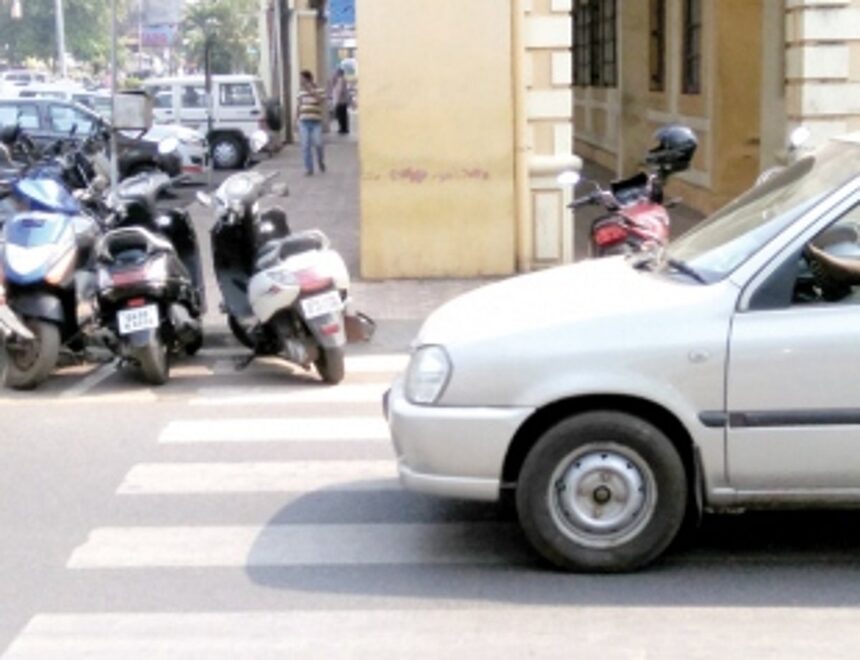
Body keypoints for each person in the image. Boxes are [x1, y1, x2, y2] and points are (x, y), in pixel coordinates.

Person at [295, 70, 325, 175]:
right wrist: (296, 119)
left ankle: (320, 161)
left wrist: (310, 90)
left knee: (318, 144)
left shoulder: (319, 89)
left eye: (301, 78)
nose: (300, 80)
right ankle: (309, 168)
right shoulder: (300, 91)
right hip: (303, 122)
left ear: (307, 78)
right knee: (305, 145)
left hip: (316, 122)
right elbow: (299, 105)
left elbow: (320, 100)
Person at [331, 67, 350, 135]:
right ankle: (344, 128)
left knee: (340, 115)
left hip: (340, 101)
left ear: (339, 73)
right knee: (343, 115)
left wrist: (337, 100)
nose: (335, 74)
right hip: (343, 100)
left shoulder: (340, 80)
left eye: (336, 72)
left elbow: (340, 90)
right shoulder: (342, 79)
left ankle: (342, 128)